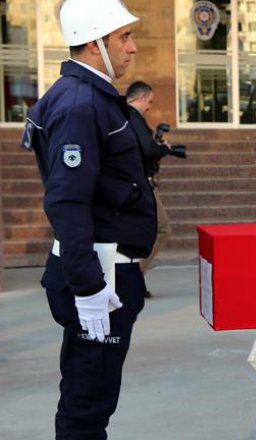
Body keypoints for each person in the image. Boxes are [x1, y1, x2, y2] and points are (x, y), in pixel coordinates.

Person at [21, 0, 155, 437]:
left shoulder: (91, 97)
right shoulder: (80, 104)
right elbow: (67, 202)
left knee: (89, 397)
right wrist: (90, 288)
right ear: (96, 44)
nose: (132, 48)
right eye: (123, 37)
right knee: (87, 405)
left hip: (106, 269)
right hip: (101, 275)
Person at [126, 81, 171, 298]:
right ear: (141, 98)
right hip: (142, 184)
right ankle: (134, 276)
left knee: (145, 230)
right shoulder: (133, 118)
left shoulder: (122, 117)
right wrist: (162, 149)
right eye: (149, 102)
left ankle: (133, 276)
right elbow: (147, 148)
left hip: (134, 183)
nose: (149, 107)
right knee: (162, 228)